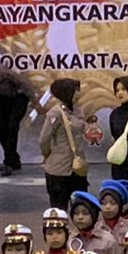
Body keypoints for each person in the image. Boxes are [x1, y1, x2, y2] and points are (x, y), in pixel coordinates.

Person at [38, 77, 90, 210]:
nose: (78, 93)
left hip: (78, 168)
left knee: (81, 207)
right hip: (59, 170)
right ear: (67, 92)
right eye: (76, 90)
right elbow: (44, 139)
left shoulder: (78, 110)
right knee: (59, 209)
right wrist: (48, 155)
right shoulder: (55, 113)